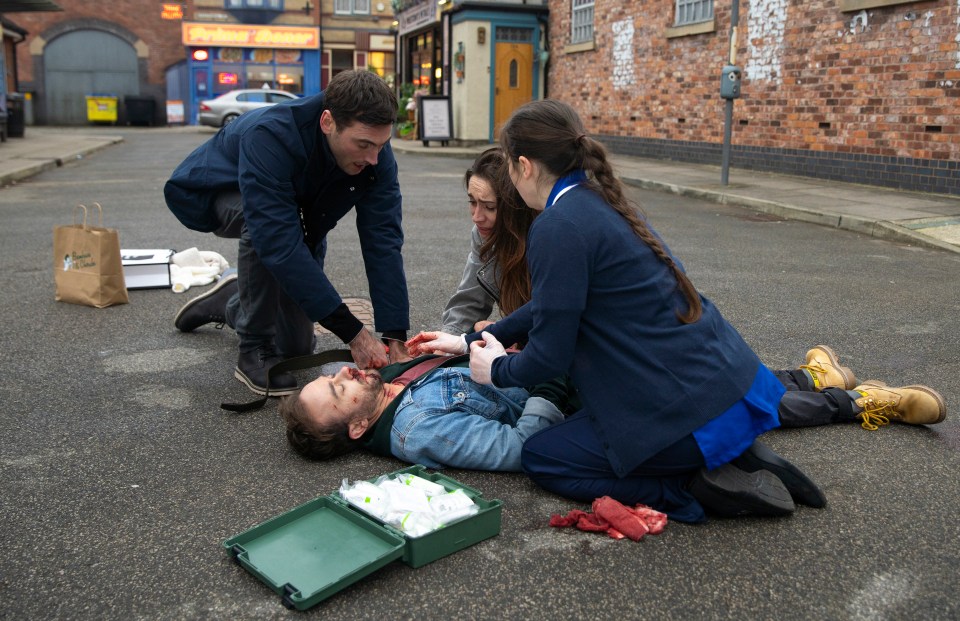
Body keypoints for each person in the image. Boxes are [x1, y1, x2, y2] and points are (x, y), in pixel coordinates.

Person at [406, 99, 947, 523]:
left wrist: (493, 368)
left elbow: (550, 354)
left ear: (523, 166)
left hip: (683, 414)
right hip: (735, 386)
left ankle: (692, 488)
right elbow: (552, 307)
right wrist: (469, 340)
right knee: (595, 424)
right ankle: (738, 453)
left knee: (547, 457)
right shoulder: (593, 202)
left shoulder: (557, 226)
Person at [281, 343, 944, 490]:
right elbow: (519, 448)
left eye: (331, 376)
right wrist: (539, 373)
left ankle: (805, 378)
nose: (343, 375)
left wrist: (477, 343)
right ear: (358, 428)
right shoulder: (418, 429)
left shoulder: (393, 384)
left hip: (555, 379)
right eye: (337, 393)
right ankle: (855, 403)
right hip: (570, 408)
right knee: (695, 407)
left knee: (678, 365)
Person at [164, 70, 411, 397]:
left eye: (381, 145)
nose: (373, 158)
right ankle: (253, 347)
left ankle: (233, 301)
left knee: (296, 346)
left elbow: (384, 242)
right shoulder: (269, 135)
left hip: (295, 216)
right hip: (214, 195)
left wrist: (395, 335)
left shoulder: (376, 155)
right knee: (267, 229)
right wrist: (354, 334)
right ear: (327, 123)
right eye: (363, 144)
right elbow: (278, 241)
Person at [440, 148, 536, 335]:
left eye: (489, 207)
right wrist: (447, 339)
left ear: (516, 206)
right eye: (472, 202)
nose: (477, 217)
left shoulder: (545, 236)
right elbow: (470, 299)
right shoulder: (483, 234)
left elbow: (553, 312)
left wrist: (506, 331)